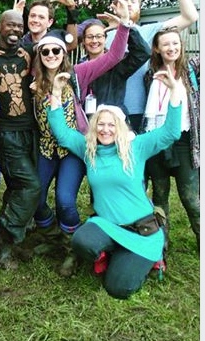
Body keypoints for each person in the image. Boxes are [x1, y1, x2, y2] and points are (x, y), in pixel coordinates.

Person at [47, 67, 182, 299]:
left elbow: (171, 133)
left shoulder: (136, 148)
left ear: (120, 127)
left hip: (141, 231)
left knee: (117, 289)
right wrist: (56, 93)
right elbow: (62, 133)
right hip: (107, 225)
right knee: (82, 240)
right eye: (100, 124)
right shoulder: (89, 150)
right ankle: (113, 252)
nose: (105, 129)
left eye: (111, 124)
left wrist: (174, 91)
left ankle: (149, 258)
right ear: (94, 126)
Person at [31, 0, 131, 276]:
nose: (50, 54)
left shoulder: (78, 74)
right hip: (46, 149)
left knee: (65, 200)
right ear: (39, 55)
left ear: (63, 54)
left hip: (73, 148)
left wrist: (123, 25)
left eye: (56, 51)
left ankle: (71, 248)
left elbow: (113, 57)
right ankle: (52, 236)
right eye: (45, 51)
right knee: (36, 199)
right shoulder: (34, 79)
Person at [106, 0, 198, 131]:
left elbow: (190, 17)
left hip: (145, 108)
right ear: (115, 7)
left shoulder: (152, 31)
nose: (128, 4)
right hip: (112, 109)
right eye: (124, 0)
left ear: (140, 8)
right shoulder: (104, 36)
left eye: (133, 1)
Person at [0, 10, 41, 269]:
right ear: (0, 26)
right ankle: (5, 240)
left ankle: (6, 230)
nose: (15, 30)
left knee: (17, 186)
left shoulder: (28, 51)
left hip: (30, 129)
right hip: (5, 131)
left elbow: (69, 43)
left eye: (19, 26)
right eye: (10, 25)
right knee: (30, 185)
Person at [143, 27, 200, 252]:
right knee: (160, 196)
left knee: (191, 199)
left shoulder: (192, 69)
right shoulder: (150, 74)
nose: (171, 48)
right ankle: (161, 244)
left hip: (184, 141)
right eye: (166, 44)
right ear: (157, 48)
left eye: (175, 43)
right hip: (157, 141)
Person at [77, 13, 150, 115]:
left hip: (112, 122)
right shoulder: (79, 68)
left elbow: (143, 53)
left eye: (99, 36)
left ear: (105, 39)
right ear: (83, 41)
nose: (94, 40)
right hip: (86, 124)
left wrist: (126, 28)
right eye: (90, 37)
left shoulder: (118, 63)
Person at [0, 0, 79, 50]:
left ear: (49, 22)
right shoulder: (20, 43)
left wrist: (71, 8)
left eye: (41, 17)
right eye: (33, 16)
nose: (35, 20)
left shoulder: (55, 41)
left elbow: (71, 44)